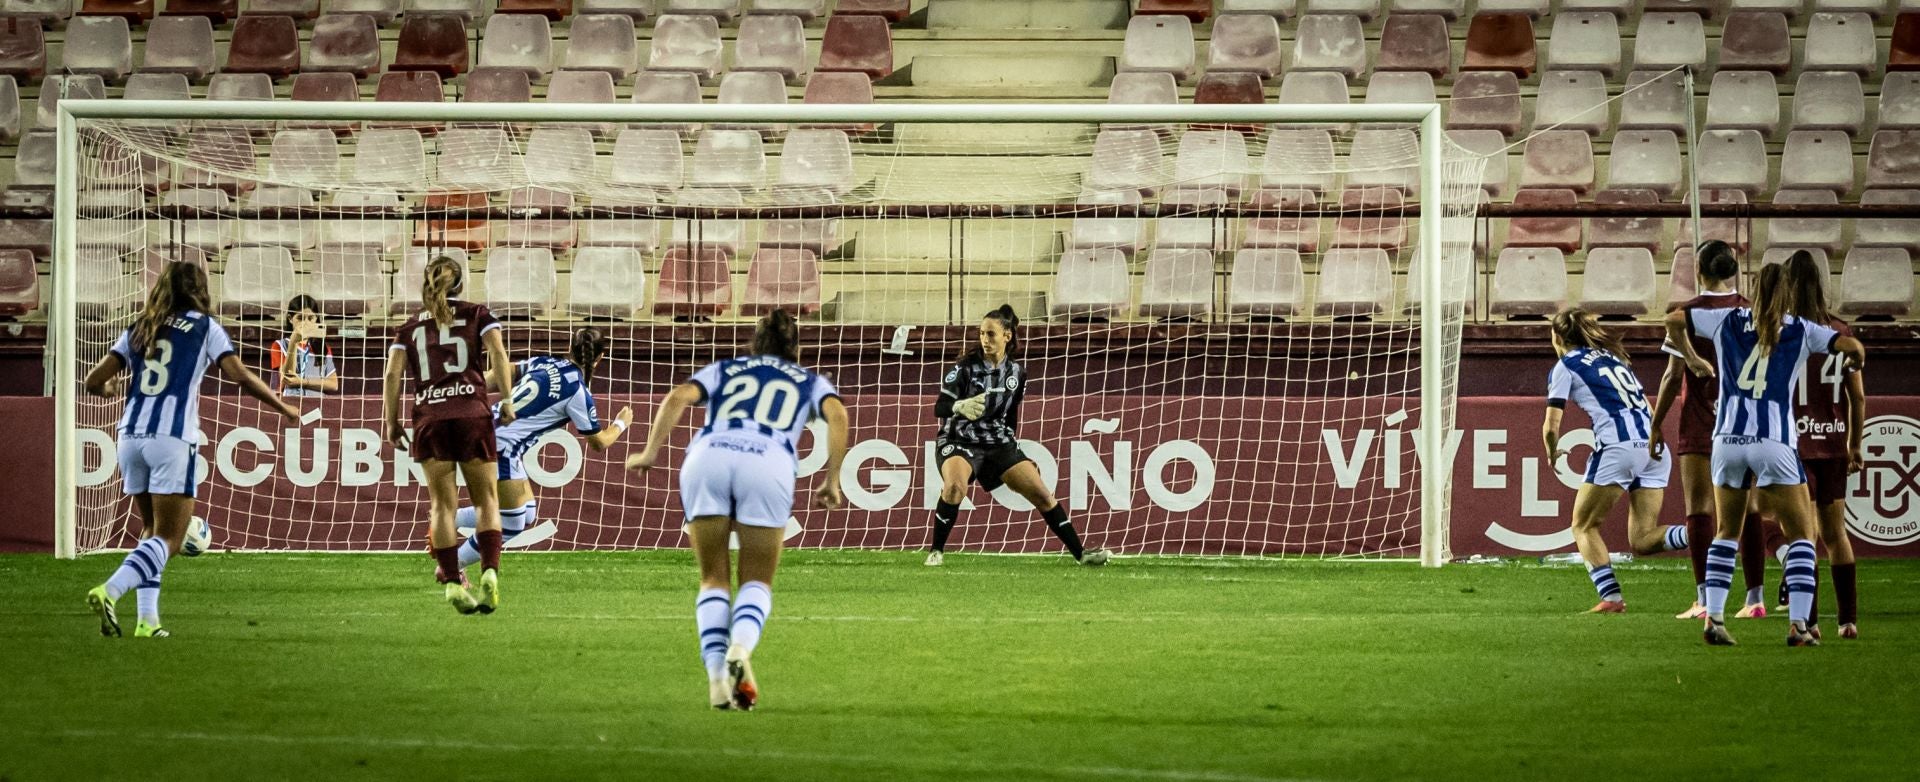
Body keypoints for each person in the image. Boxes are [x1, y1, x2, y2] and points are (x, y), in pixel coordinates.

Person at [628, 309, 850, 711]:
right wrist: (833, 478)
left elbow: (678, 397)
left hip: (709, 455)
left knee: (713, 579)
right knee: (756, 581)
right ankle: (740, 647)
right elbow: (837, 414)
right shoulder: (808, 380)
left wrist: (650, 451)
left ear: (754, 343)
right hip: (767, 461)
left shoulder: (725, 369)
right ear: (796, 348)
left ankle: (716, 676)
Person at [83, 261, 300, 638]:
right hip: (172, 437)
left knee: (151, 530)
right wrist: (282, 406)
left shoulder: (141, 328)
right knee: (170, 539)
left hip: (130, 436)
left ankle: (148, 623)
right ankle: (111, 590)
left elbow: (93, 381)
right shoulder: (204, 327)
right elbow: (240, 375)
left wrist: (111, 390)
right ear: (200, 290)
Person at [1664, 262, 1866, 646]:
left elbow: (1674, 319)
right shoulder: (1800, 328)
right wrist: (1856, 357)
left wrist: (1691, 357)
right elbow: (1849, 345)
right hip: (1774, 440)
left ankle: (1716, 619)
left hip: (1726, 439)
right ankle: (1799, 626)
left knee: (1727, 531)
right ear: (1787, 295)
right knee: (1802, 535)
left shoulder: (1727, 318)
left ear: (1754, 289)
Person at [442, 328, 634, 581]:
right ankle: (452, 565)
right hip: (499, 446)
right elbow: (598, 443)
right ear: (600, 358)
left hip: (485, 429)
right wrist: (621, 423)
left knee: (528, 513)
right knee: (511, 525)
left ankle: (448, 519)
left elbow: (507, 371)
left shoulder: (545, 361)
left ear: (570, 348)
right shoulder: (578, 392)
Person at [924, 305, 1109, 567]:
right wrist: (959, 406)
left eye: (991, 334)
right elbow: (940, 406)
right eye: (981, 334)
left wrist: (1010, 440)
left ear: (1007, 336)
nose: (985, 340)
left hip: (998, 444)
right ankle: (936, 551)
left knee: (1042, 494)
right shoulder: (965, 367)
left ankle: (1081, 554)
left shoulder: (1017, 373)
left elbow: (1012, 413)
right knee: (954, 487)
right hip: (959, 441)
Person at [382, 255, 516, 615]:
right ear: (461, 283)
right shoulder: (478, 314)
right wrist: (506, 399)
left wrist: (391, 422)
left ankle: (454, 582)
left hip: (430, 417)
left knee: (443, 506)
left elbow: (392, 376)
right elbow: (499, 355)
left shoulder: (408, 328)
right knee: (488, 500)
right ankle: (489, 571)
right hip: (472, 413)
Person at [1648, 240, 1768, 620]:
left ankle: (1702, 599)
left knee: (1698, 508)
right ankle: (1755, 598)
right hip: (1745, 420)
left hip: (1701, 418)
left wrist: (1655, 426)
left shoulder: (1688, 314)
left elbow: (1672, 376)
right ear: (1733, 271)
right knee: (1748, 507)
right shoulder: (1753, 311)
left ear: (1698, 271)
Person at [1542, 309, 1688, 613]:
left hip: (1619, 447)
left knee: (1583, 526)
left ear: (1557, 336)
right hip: (1653, 447)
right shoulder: (1613, 359)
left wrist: (1551, 450)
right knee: (1643, 540)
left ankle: (1612, 598)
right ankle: (1700, 535)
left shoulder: (1566, 366)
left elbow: (1551, 425)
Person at [1779, 252, 1865, 640]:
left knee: (1803, 537)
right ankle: (1848, 620)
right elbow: (1857, 398)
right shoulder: (1840, 333)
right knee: (1837, 535)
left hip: (1794, 445)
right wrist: (1855, 444)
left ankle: (1809, 622)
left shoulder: (1783, 331)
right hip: (1833, 442)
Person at [269, 294, 339, 397]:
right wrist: (293, 342)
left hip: (317, 403)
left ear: (316, 319)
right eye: (300, 318)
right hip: (291, 402)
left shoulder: (323, 347)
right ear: (290, 318)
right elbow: (287, 378)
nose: (305, 323)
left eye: (310, 318)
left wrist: (303, 382)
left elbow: (333, 384)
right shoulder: (279, 345)